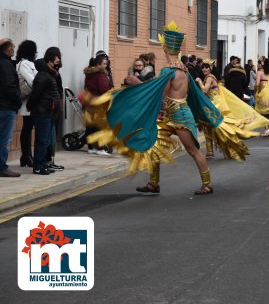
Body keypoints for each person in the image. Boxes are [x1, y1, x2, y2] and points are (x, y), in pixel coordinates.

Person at [85, 21, 254, 195]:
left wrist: (138, 84)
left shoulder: (168, 71)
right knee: (153, 143)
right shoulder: (184, 69)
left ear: (165, 48)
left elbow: (159, 93)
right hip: (171, 116)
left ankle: (207, 184)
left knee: (193, 150)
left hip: (179, 117)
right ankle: (154, 183)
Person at [197, 60, 269, 157]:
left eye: (206, 67)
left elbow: (205, 90)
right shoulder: (209, 77)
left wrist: (199, 82)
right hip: (211, 104)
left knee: (218, 128)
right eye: (203, 67)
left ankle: (226, 149)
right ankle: (211, 150)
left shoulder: (209, 78)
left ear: (211, 68)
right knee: (210, 127)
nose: (204, 69)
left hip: (216, 105)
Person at [27, 55, 61, 175]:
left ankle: (42, 164)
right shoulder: (43, 76)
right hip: (43, 113)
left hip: (49, 112)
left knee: (45, 141)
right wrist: (30, 107)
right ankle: (38, 166)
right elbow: (35, 94)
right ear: (46, 64)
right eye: (53, 63)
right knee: (42, 141)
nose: (55, 65)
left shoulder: (48, 76)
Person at [0, 38, 21, 177]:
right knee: (5, 139)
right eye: (13, 47)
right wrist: (18, 100)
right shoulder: (6, 64)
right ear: (8, 49)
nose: (14, 49)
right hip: (6, 107)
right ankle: (2, 167)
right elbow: (9, 86)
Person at [84, 56, 114, 156]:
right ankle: (100, 148)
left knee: (90, 126)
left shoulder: (89, 74)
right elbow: (104, 89)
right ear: (98, 65)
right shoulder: (101, 75)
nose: (106, 66)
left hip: (89, 102)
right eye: (104, 64)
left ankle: (91, 147)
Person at [16, 40, 38, 168]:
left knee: (28, 128)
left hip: (32, 100)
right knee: (27, 128)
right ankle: (26, 155)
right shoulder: (24, 63)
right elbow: (32, 80)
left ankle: (27, 156)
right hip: (26, 101)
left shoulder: (30, 63)